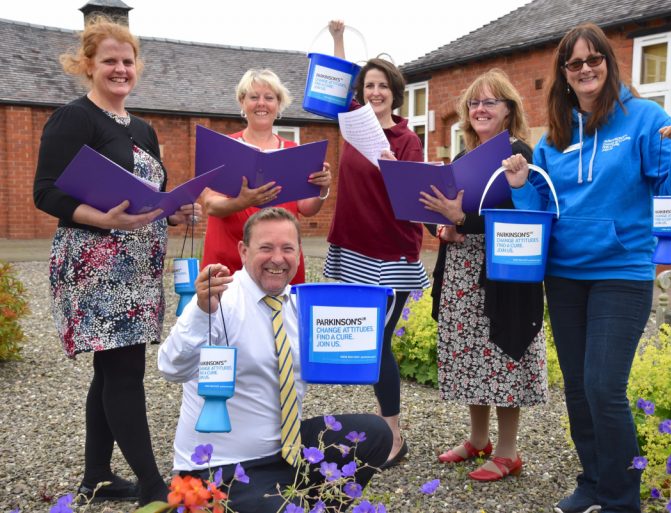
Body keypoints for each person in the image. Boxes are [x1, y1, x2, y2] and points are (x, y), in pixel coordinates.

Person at [503, 23, 671, 513]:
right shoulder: (554, 136)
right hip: (564, 274)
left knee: (603, 386)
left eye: (595, 60)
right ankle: (592, 482)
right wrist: (522, 185)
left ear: (609, 64)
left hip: (622, 272)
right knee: (576, 386)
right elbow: (539, 215)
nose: (586, 69)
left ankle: (621, 498)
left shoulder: (645, 119)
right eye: (575, 63)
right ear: (565, 75)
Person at [32, 17, 201, 505]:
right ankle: (153, 485)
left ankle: (97, 476)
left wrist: (174, 210)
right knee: (125, 372)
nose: (120, 69)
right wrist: (104, 219)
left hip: (138, 265)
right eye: (110, 60)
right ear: (88, 65)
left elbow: (148, 198)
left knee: (110, 372)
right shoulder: (75, 118)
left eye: (127, 61)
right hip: (95, 264)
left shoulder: (144, 129)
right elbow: (45, 192)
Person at [159, 207, 391, 512]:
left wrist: (365, 328)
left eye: (287, 249)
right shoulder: (220, 298)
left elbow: (346, 348)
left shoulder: (301, 305)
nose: (277, 259)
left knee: (377, 434)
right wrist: (202, 312)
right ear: (243, 251)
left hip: (286, 452)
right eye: (265, 248)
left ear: (299, 253)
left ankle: (312, 505)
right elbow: (171, 367)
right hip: (222, 465)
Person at [418, 69, 547, 481]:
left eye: (490, 101)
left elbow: (525, 219)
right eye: (474, 103)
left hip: (503, 276)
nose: (480, 109)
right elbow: (450, 213)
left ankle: (508, 450)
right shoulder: (461, 157)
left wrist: (464, 219)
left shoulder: (519, 154)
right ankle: (477, 439)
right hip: (461, 271)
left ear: (509, 110)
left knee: (504, 354)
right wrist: (443, 225)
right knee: (472, 356)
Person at [325, 20, 429, 468]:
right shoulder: (351, 125)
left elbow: (412, 201)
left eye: (382, 85)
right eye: (369, 85)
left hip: (391, 251)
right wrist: (337, 40)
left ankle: (393, 433)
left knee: (378, 341)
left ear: (395, 91)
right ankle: (381, 422)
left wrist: (394, 170)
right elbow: (339, 78)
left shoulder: (407, 140)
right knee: (364, 339)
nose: (374, 92)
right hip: (352, 245)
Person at [200, 68, 331, 283]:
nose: (262, 103)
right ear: (242, 102)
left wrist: (322, 189)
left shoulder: (294, 151)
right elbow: (211, 205)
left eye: (269, 98)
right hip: (229, 260)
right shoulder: (223, 147)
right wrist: (243, 202)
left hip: (279, 262)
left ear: (278, 104)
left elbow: (306, 209)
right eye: (254, 97)